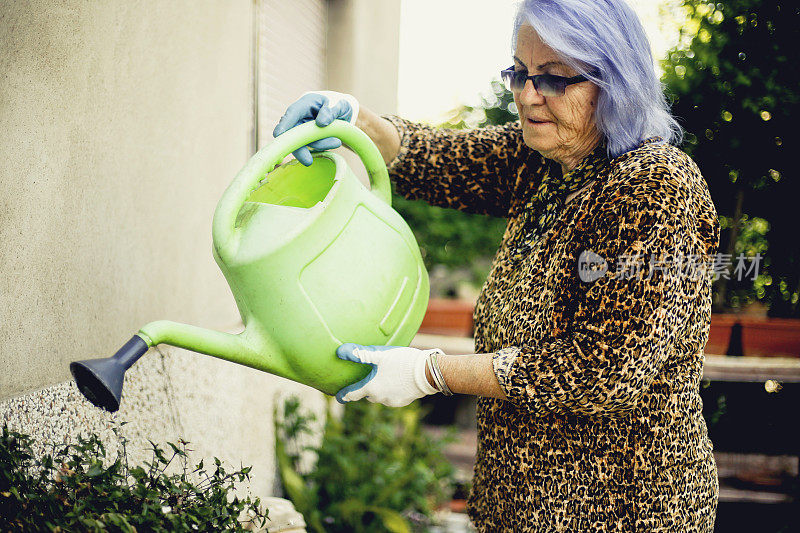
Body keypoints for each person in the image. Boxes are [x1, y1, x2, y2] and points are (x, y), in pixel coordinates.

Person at [273, 0, 720, 530]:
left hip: (620, 508)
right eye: (520, 73)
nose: (528, 96)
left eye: (554, 79)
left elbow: (604, 371)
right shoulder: (547, 161)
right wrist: (355, 121)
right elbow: (435, 157)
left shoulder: (656, 185)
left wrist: (428, 372)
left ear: (614, 81)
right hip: (518, 504)